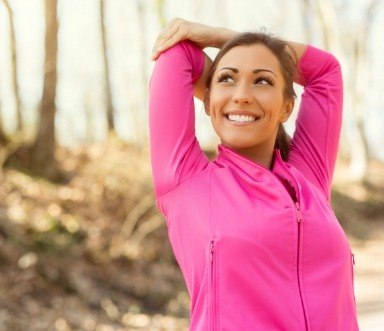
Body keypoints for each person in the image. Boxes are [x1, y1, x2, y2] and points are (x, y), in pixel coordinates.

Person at [149, 18, 359, 330]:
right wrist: (233, 87)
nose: (243, 94)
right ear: (206, 99)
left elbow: (325, 71)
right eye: (227, 80)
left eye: (262, 82)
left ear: (287, 107)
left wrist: (222, 39)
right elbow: (178, 53)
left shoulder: (308, 179)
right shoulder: (186, 181)